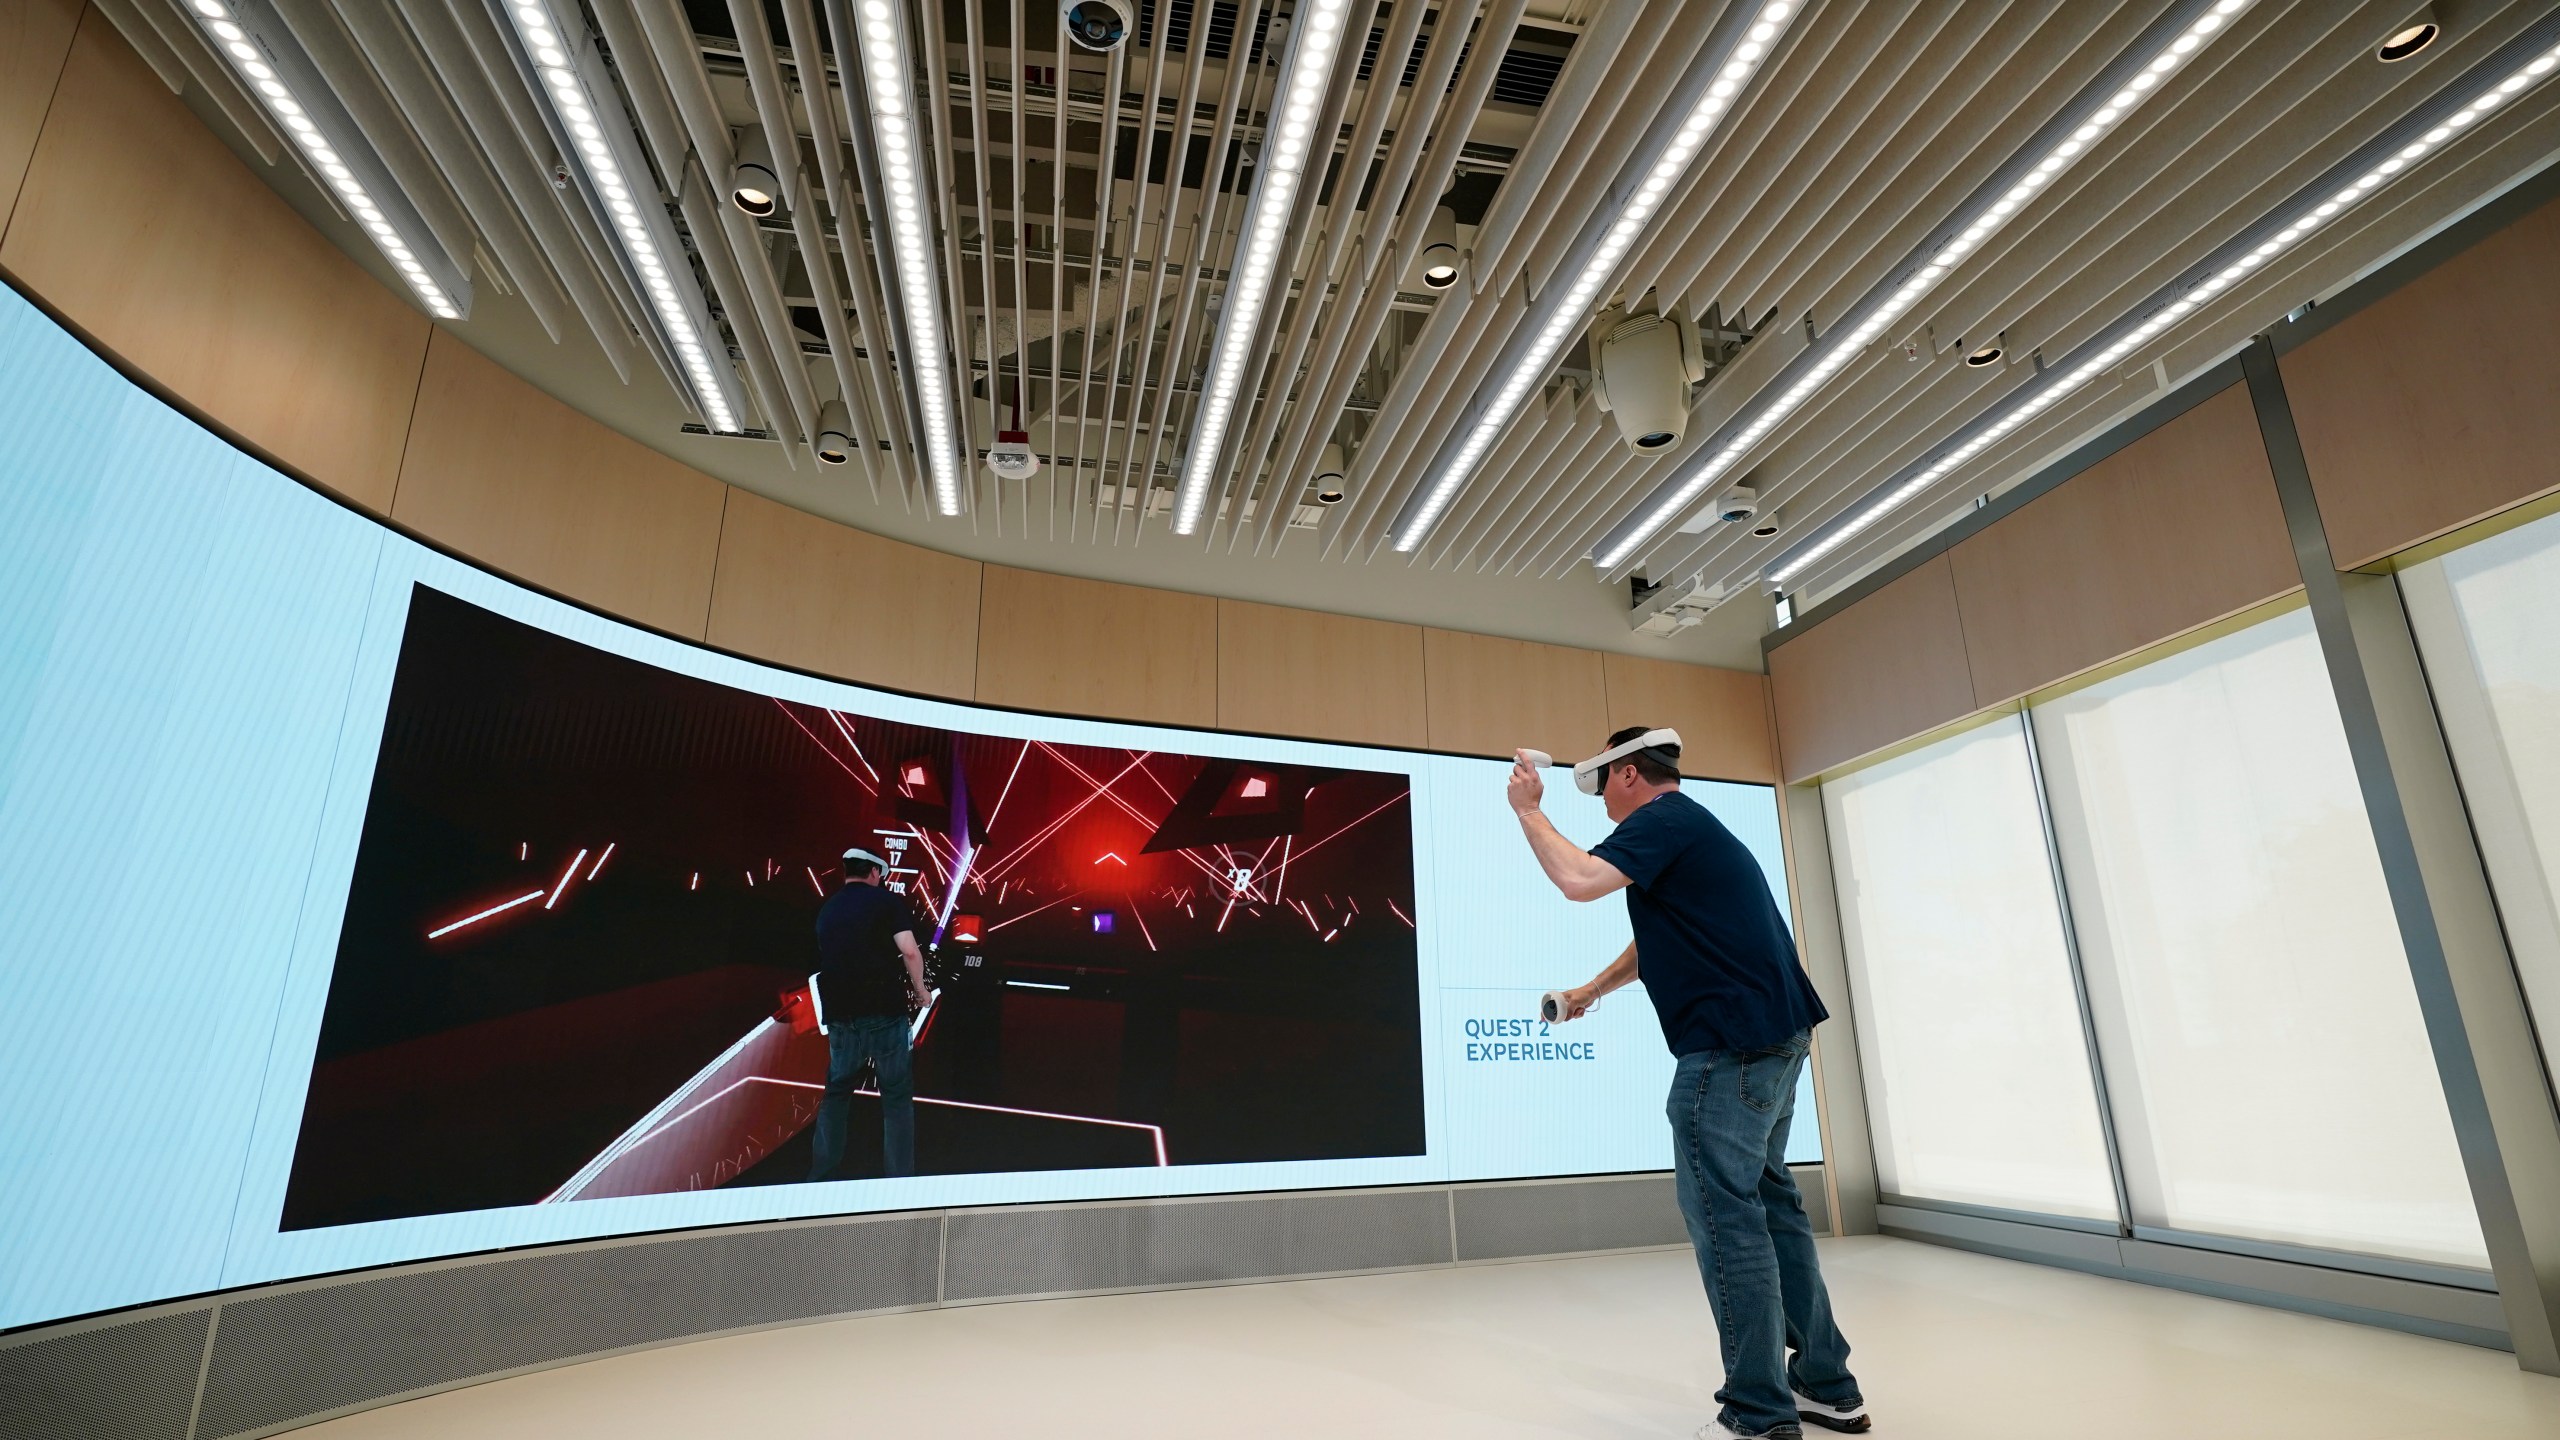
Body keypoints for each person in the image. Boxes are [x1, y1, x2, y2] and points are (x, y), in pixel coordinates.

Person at [1510, 726, 1868, 1440]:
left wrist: (1528, 810)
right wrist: (1592, 988)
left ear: (1630, 776)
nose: (1603, 802)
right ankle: (1826, 1384)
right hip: (1776, 1038)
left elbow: (1580, 880)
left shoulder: (1661, 820)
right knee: (1771, 1208)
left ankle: (1761, 1411)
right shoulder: (1690, 829)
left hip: (1727, 1053)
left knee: (1729, 1222)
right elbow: (1662, 940)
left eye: (1604, 785)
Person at [806, 846, 931, 1181]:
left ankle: (820, 1175)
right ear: (875, 873)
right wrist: (921, 992)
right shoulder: (886, 902)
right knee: (895, 1096)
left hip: (840, 1014)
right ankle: (898, 1181)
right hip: (882, 1010)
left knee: (836, 1093)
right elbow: (909, 950)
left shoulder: (828, 908)